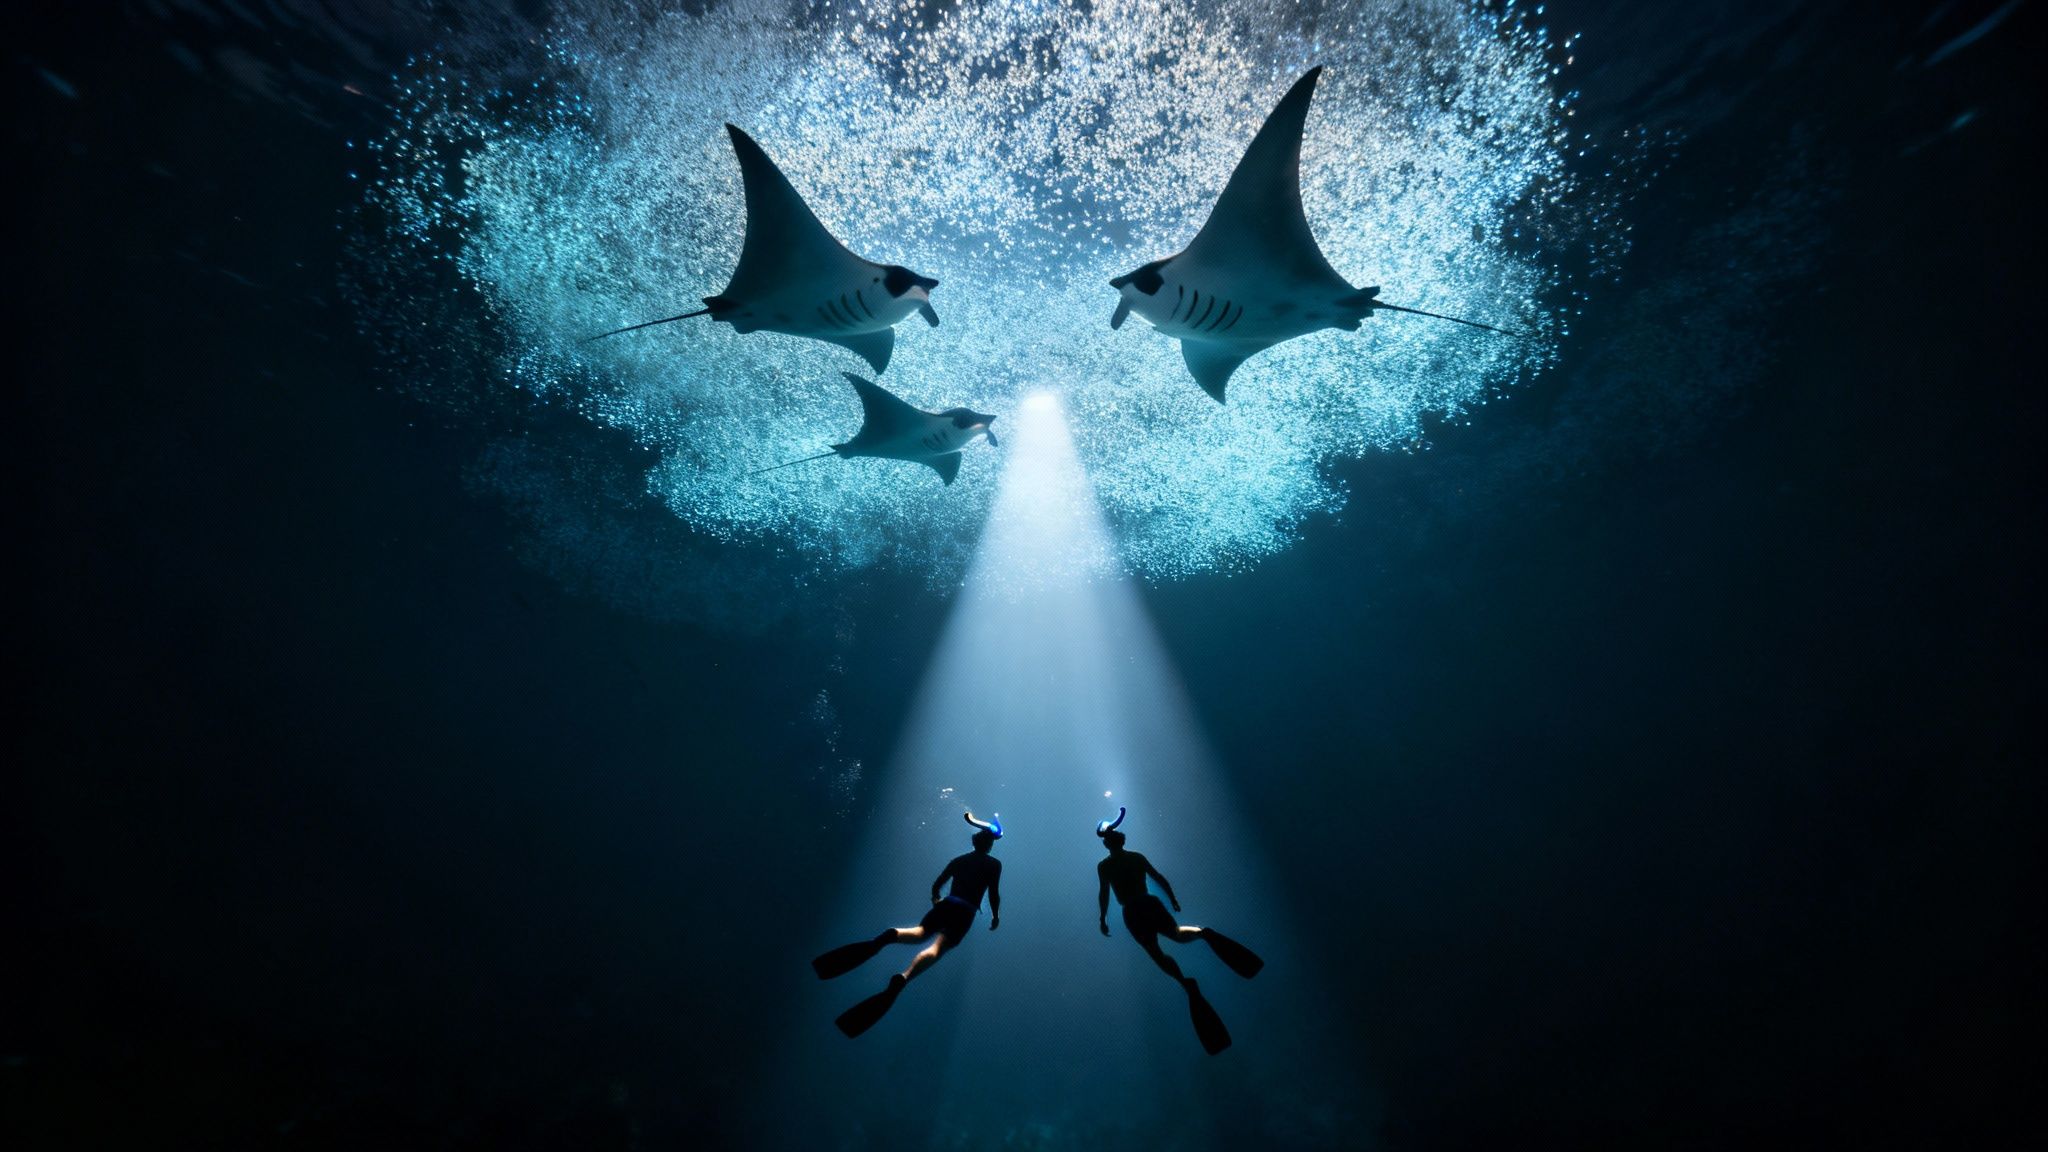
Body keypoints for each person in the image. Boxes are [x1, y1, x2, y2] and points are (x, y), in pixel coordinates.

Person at [812, 811, 1003, 1037]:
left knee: (920, 932)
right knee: (937, 948)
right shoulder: (993, 865)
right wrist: (995, 916)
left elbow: (937, 885)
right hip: (965, 912)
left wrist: (936, 901)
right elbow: (993, 894)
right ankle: (904, 977)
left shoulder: (959, 861)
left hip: (947, 904)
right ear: (989, 845)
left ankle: (887, 937)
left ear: (975, 841)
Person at [1094, 806, 1262, 1053]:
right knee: (1178, 935)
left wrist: (1102, 917)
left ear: (1108, 844)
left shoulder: (1105, 867)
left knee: (1156, 953)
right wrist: (1172, 898)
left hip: (1132, 910)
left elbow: (1104, 892)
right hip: (1150, 903)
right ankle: (1203, 934)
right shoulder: (1136, 857)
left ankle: (1185, 983)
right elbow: (1158, 877)